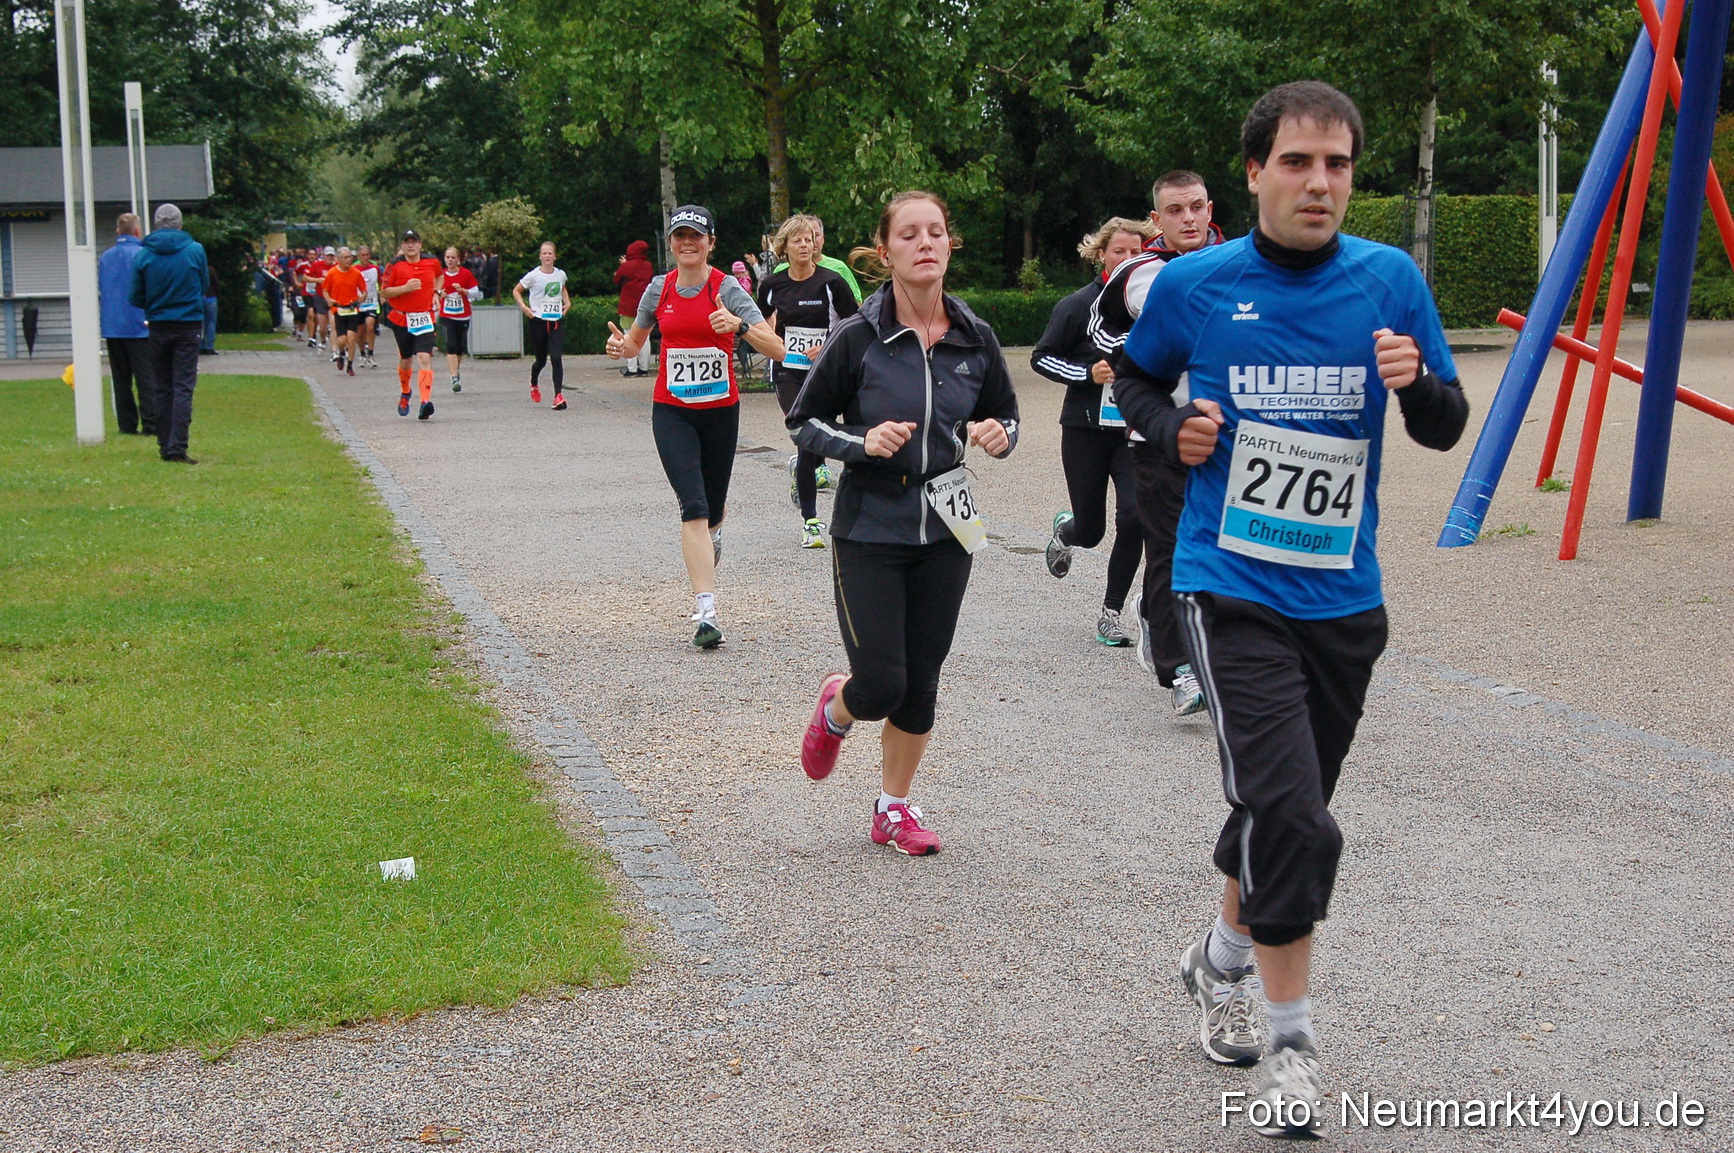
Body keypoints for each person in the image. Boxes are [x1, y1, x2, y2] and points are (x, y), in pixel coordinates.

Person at [1111, 82, 1469, 1138]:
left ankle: (1214, 959)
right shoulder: (1199, 285)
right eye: (1301, 163)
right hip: (1231, 587)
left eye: (1340, 165)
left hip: (1346, 604)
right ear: (1255, 174)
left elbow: (1447, 426)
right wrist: (1173, 426)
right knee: (1298, 815)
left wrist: (1415, 386)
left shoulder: (1390, 280)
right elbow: (1128, 383)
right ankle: (1293, 1043)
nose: (1322, 183)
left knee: (1279, 810)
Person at [788, 191, 1019, 856]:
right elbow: (803, 421)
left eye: (937, 232)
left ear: (950, 245)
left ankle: (892, 808)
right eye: (910, 234)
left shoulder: (975, 336)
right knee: (882, 682)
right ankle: (837, 707)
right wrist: (863, 443)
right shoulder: (858, 335)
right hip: (869, 526)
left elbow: (1007, 412)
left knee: (921, 684)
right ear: (884, 252)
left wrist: (998, 433)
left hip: (949, 527)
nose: (925, 243)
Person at [604, 204, 785, 648]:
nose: (688, 243)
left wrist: (739, 325)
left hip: (721, 414)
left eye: (696, 236)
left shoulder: (726, 288)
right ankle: (707, 613)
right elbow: (634, 344)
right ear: (670, 243)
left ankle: (714, 537)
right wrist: (620, 348)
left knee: (714, 510)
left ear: (711, 243)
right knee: (694, 505)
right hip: (672, 412)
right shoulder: (658, 289)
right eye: (680, 235)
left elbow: (778, 349)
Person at [1083, 170, 1227, 715]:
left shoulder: (1238, 262)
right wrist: (1152, 344)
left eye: (1195, 207)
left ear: (1209, 207)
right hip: (1155, 433)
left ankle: (1215, 646)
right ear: (1156, 220)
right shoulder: (1137, 272)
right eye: (1175, 210)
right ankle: (1179, 668)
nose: (1188, 219)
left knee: (1226, 548)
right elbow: (1100, 331)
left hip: (1225, 436)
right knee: (1170, 548)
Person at [1031, 216, 1156, 646]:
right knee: (1092, 530)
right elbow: (1041, 358)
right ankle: (1067, 532)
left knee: (1135, 517)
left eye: (1136, 252)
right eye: (1118, 251)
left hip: (1133, 434)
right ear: (1101, 254)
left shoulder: (1156, 305)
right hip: (1084, 430)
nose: (1127, 259)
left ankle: (1111, 614)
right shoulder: (1077, 305)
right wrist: (1089, 374)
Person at [756, 213, 858, 548]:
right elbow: (758, 325)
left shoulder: (831, 283)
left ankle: (800, 468)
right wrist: (771, 341)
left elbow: (856, 324)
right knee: (806, 436)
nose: (804, 245)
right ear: (783, 246)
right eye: (797, 240)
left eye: (809, 239)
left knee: (815, 438)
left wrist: (827, 346)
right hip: (787, 370)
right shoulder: (772, 285)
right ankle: (811, 522)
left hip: (824, 372)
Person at [128, 203, 209, 464]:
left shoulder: (143, 254)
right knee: (183, 387)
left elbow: (135, 295)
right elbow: (204, 285)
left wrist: (156, 305)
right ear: (180, 223)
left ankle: (164, 444)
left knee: (161, 387)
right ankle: (177, 446)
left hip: (158, 325)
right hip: (188, 324)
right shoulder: (195, 250)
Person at [97, 212, 155, 437]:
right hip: (140, 325)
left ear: (117, 232)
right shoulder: (144, 255)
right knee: (146, 378)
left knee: (121, 381)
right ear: (138, 231)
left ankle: (126, 425)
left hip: (113, 326)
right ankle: (151, 424)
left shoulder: (105, 257)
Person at [380, 228, 444, 420]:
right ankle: (405, 392)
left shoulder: (431, 262)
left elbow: (440, 276)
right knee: (406, 359)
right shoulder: (395, 265)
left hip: (425, 317)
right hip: (402, 318)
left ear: (420, 245)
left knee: (424, 357)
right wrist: (405, 288)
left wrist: (436, 293)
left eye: (414, 242)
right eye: (407, 242)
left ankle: (425, 402)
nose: (410, 245)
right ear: (402, 246)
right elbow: (384, 292)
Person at [512, 241, 571, 409]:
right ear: (540, 256)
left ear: (554, 256)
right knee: (540, 360)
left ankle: (558, 396)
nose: (547, 256)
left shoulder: (560, 274)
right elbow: (516, 290)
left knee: (556, 357)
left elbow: (562, 288)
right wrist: (524, 307)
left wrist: (567, 303)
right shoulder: (533, 275)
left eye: (550, 253)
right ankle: (534, 382)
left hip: (556, 321)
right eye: (544, 253)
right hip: (538, 321)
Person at [773, 218, 864, 304]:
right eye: (797, 240)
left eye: (816, 236)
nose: (804, 244)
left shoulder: (838, 269)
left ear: (823, 239)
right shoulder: (780, 272)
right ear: (785, 246)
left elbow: (856, 306)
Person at [439, 245, 481, 391]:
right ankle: (454, 377)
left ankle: (455, 370)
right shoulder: (441, 275)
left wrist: (464, 291)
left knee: (460, 347)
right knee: (450, 345)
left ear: (458, 260)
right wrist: (440, 295)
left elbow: (476, 292)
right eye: (447, 257)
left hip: (463, 315)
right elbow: (432, 292)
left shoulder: (465, 274)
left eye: (453, 258)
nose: (450, 260)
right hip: (447, 314)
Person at [322, 246, 368, 376]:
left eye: (350, 257)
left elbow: (364, 289)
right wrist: (329, 300)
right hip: (339, 309)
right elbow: (325, 289)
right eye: (346, 258)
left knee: (352, 338)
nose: (349, 260)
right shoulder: (332, 273)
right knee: (342, 340)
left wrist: (363, 296)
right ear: (338, 259)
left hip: (352, 308)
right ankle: (342, 353)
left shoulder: (355, 273)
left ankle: (350, 365)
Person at [612, 240, 655, 377]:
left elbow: (616, 279)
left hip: (628, 307)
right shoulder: (648, 266)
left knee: (628, 336)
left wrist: (624, 265)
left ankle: (631, 368)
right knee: (645, 337)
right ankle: (644, 368)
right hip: (645, 307)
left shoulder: (627, 266)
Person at [355, 244, 381, 368]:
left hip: (372, 303)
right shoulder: (354, 269)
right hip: (358, 304)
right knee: (360, 331)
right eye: (363, 255)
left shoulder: (375, 268)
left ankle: (371, 354)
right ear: (359, 256)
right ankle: (362, 354)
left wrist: (383, 295)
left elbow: (381, 283)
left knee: (370, 327)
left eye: (367, 255)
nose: (365, 258)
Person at [200, 263, 220, 355]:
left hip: (199, 298)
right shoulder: (210, 269)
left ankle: (201, 345)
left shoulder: (196, 270)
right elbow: (216, 283)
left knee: (201, 323)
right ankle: (210, 346)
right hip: (211, 298)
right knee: (211, 322)